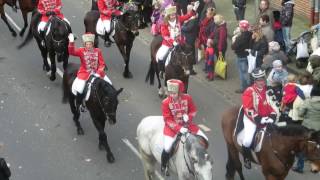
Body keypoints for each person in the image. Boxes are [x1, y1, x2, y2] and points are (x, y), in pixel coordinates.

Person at [161, 79, 208, 174]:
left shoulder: (188, 98)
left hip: (188, 126)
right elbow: (167, 119)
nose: (172, 95)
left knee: (205, 139)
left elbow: (193, 110)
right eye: (170, 93)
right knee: (167, 147)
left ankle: (201, 159)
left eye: (174, 93)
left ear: (180, 92)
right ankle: (164, 164)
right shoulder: (165, 102)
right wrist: (179, 128)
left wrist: (189, 117)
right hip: (172, 129)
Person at [242, 68, 277, 169]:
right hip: (252, 119)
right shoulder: (249, 91)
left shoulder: (268, 90)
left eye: (263, 80)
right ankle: (247, 158)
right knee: (247, 141)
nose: (262, 82)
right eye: (259, 80)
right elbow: (248, 109)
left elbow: (273, 104)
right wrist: (259, 119)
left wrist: (272, 116)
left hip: (267, 117)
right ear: (255, 81)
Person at [67, 33, 112, 108]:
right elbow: (72, 52)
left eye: (90, 44)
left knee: (110, 84)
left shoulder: (98, 51)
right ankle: (80, 104)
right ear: (85, 44)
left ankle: (109, 102)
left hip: (97, 72)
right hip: (85, 72)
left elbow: (102, 64)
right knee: (80, 88)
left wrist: (99, 72)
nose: (88, 46)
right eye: (87, 44)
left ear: (92, 44)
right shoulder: (81, 50)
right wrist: (71, 42)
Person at [156, 4, 199, 71]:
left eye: (174, 14)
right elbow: (165, 36)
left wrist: (194, 9)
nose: (173, 16)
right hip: (168, 44)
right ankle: (161, 70)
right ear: (168, 16)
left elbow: (187, 16)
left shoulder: (178, 18)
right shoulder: (164, 24)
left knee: (187, 53)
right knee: (161, 56)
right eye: (171, 15)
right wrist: (173, 42)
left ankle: (189, 68)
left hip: (179, 42)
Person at [292, 86, 320, 173]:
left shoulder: (308, 101)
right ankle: (315, 165)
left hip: (306, 128)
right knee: (315, 147)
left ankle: (300, 167)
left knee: (303, 146)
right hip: (317, 129)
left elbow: (300, 113)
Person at [231, 20, 252, 93]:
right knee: (248, 72)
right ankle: (250, 86)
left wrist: (234, 41)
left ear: (242, 28)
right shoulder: (251, 34)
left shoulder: (240, 38)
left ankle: (245, 88)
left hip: (241, 56)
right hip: (248, 55)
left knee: (243, 73)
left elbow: (233, 47)